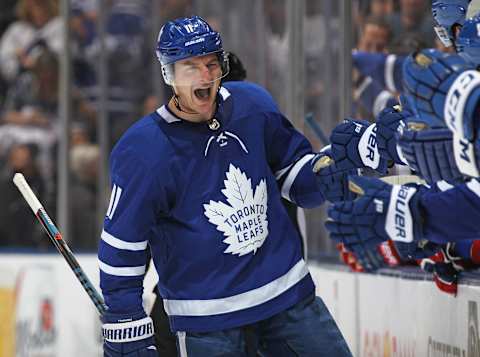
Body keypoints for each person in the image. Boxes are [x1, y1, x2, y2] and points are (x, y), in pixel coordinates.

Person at [98, 15, 353, 356]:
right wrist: (125, 321)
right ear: (169, 74)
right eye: (190, 67)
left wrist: (331, 169)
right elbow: (123, 247)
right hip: (207, 324)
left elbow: (296, 178)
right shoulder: (143, 150)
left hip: (289, 303)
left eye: (210, 64)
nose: (204, 76)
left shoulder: (253, 105)